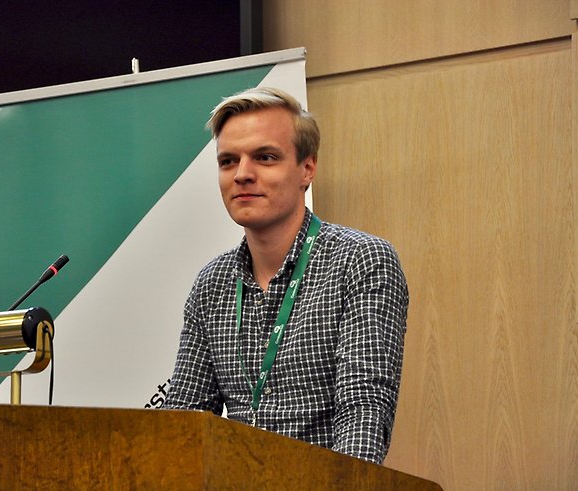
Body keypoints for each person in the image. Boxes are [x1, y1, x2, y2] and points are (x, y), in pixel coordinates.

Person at [162, 86, 408, 464]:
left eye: (265, 157)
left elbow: (364, 411)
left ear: (307, 169)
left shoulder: (361, 261)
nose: (242, 174)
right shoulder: (212, 284)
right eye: (228, 161)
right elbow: (184, 418)